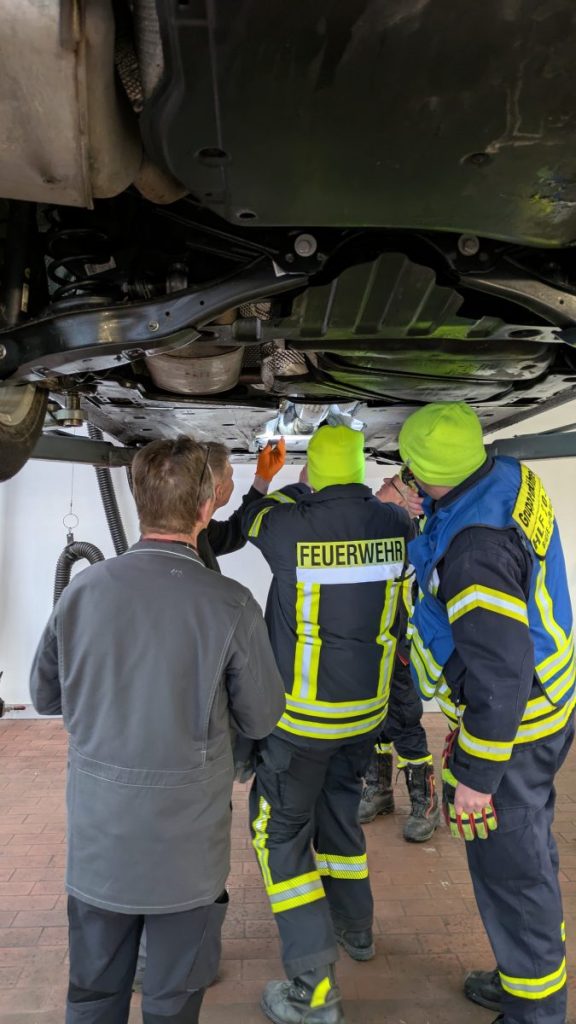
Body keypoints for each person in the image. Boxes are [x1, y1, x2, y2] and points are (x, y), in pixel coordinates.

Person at [29, 436, 286, 1024]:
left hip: (99, 846)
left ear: (139, 501)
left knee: (92, 997)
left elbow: (46, 696)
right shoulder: (230, 603)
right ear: (206, 507)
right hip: (186, 856)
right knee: (172, 1003)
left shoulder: (81, 592)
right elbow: (263, 716)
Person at [398, 402, 575, 1024]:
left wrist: (475, 776)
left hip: (512, 731)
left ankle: (536, 1011)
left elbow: (500, 676)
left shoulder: (475, 554)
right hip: (548, 709)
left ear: (421, 471)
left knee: (512, 872)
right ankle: (525, 975)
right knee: (528, 856)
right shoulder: (508, 477)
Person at [241, 425, 414, 1024]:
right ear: (362, 471)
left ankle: (313, 990)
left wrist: (273, 480)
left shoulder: (287, 525)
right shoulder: (397, 527)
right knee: (340, 815)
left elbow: (249, 519)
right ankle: (356, 930)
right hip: (364, 718)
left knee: (278, 837)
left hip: (301, 726)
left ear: (311, 471)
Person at [133, 437, 285, 990]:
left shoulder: (189, 543)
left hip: (157, 742)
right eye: (222, 486)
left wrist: (261, 484)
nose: (225, 496)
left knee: (156, 839)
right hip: (190, 743)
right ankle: (171, 963)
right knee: (189, 847)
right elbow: (262, 710)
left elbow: (232, 532)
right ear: (208, 494)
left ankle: (157, 957)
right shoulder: (218, 591)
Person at [358, 587, 440, 842]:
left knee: (405, 720)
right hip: (367, 641)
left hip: (401, 641)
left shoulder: (407, 548)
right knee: (371, 717)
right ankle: (379, 790)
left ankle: (426, 803)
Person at [198, 439, 286, 571]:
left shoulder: (195, 527)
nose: (232, 481)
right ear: (219, 492)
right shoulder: (194, 549)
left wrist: (262, 479)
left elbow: (234, 534)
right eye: (230, 476)